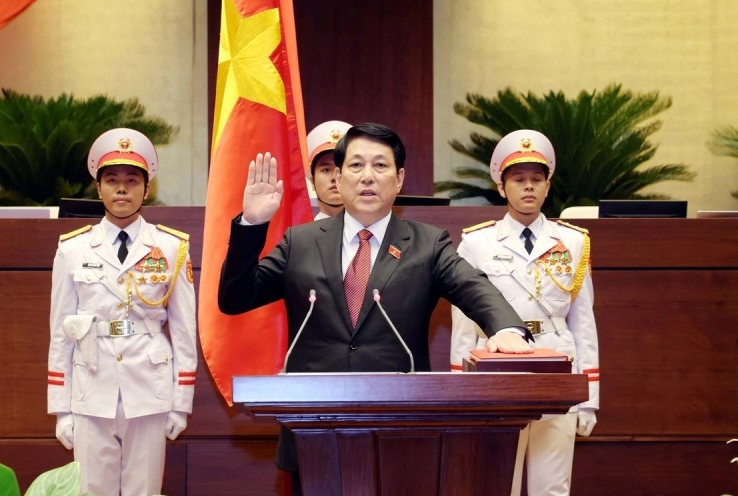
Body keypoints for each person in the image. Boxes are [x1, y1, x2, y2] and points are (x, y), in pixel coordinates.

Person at [218, 122, 532, 494]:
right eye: (355, 166)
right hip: (314, 429)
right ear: (337, 176)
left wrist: (508, 329)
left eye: (380, 166)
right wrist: (253, 223)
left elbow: (473, 285)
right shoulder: (299, 242)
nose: (367, 176)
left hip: (401, 428)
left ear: (399, 179)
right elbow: (235, 298)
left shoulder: (426, 245)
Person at [47, 128, 198, 496]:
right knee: (90, 490)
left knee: (143, 490)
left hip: (149, 386)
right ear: (98, 188)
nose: (121, 189)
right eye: (111, 180)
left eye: (132, 181)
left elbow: (183, 331)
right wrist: (61, 407)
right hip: (91, 385)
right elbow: (60, 331)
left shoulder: (171, 247)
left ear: (147, 189)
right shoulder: (74, 249)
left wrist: (181, 404)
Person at [449, 129, 600, 496]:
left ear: (548, 186)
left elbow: (583, 321)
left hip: (558, 369)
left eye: (537, 179)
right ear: (501, 187)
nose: (528, 187)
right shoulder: (477, 242)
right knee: (500, 484)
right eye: (518, 179)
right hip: (495, 369)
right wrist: (459, 396)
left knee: (552, 488)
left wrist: (590, 396)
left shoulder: (574, 242)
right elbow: (463, 325)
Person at [305, 120, 352, 219]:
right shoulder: (297, 234)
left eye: (341, 170)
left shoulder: (374, 233)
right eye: (326, 170)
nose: (334, 178)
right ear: (312, 181)